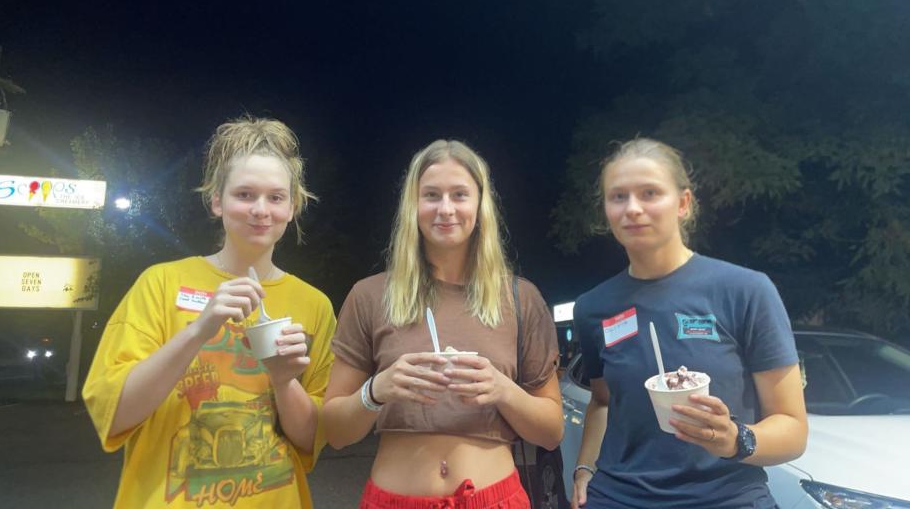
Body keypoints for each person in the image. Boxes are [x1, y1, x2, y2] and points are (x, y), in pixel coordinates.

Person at [83, 117, 336, 508]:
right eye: (245, 194)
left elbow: (311, 439)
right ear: (217, 201)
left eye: (275, 197)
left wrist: (286, 382)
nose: (260, 210)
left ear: (292, 207)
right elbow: (116, 415)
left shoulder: (314, 305)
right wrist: (199, 330)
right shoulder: (161, 283)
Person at [321, 139, 563, 508]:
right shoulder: (369, 296)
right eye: (431, 195)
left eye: (460, 195)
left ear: (480, 206)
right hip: (394, 500)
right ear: (412, 207)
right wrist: (376, 390)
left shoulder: (520, 298)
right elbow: (336, 433)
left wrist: (502, 390)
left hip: (494, 499)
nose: (446, 209)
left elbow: (551, 432)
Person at [570, 138, 808, 508]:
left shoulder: (745, 290)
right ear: (606, 210)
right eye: (618, 197)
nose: (633, 208)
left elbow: (792, 428)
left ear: (683, 203)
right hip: (619, 497)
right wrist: (584, 468)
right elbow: (602, 402)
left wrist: (735, 439)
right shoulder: (593, 307)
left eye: (650, 193)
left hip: (727, 497)